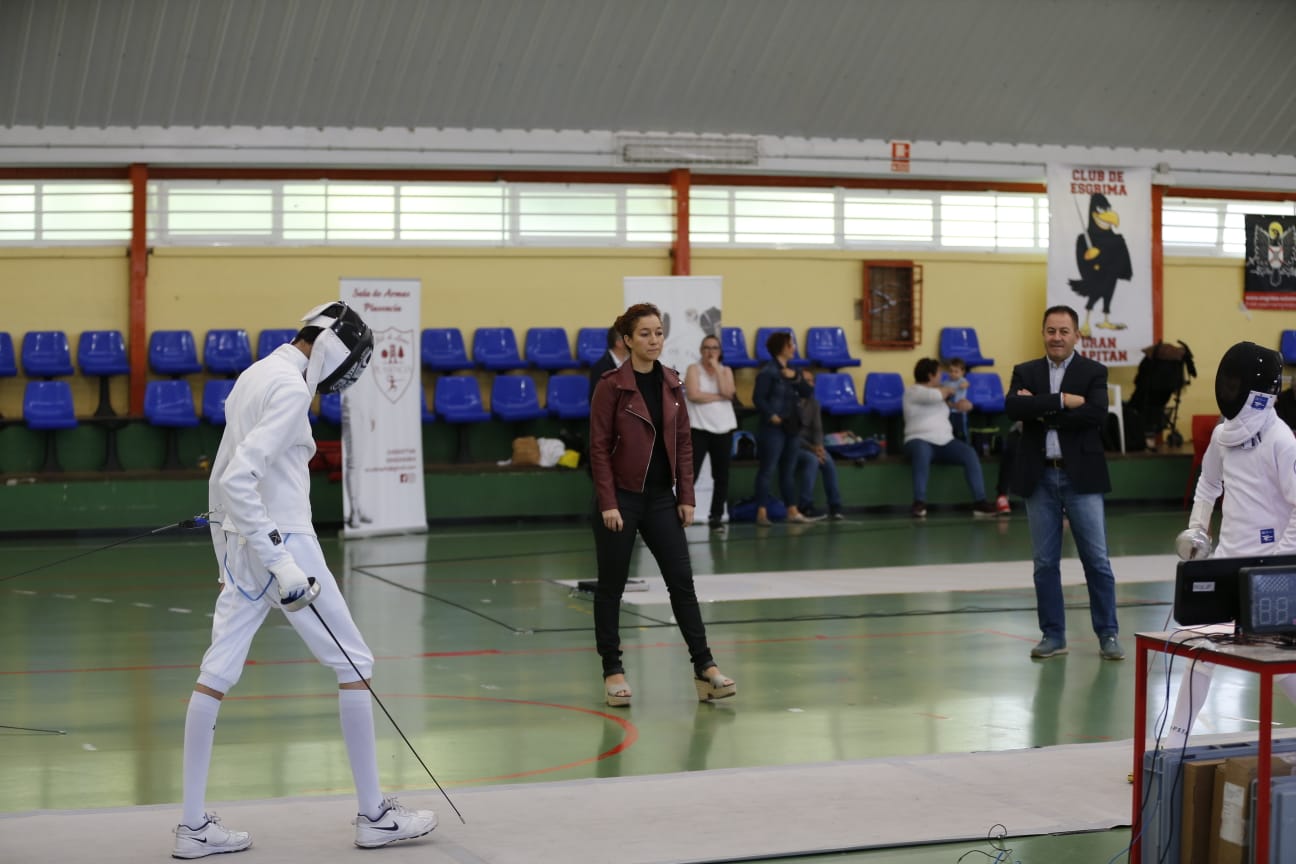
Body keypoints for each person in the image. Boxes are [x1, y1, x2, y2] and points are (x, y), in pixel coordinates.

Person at [173, 302, 436, 859]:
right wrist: (282, 561)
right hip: (284, 543)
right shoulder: (291, 389)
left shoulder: (255, 374)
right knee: (354, 665)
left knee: (214, 674)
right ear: (333, 345)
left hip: (247, 545)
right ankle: (375, 817)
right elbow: (241, 476)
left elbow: (224, 476)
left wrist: (230, 552)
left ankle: (192, 827)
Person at [589, 302, 736, 707]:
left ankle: (705, 668)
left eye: (658, 333)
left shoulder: (671, 382)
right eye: (644, 334)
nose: (654, 340)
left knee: (681, 583)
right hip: (619, 499)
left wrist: (686, 495)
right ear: (627, 340)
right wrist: (608, 502)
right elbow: (598, 448)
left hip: (660, 500)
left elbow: (684, 443)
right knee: (611, 588)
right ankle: (613, 671)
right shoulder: (611, 385)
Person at [1164, 342, 1296, 749]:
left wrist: (1278, 564)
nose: (1230, 388)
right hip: (1226, 562)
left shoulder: (1282, 440)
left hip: (1270, 571)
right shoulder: (1224, 435)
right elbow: (1208, 485)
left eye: (1238, 382)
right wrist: (1199, 531)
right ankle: (1175, 742)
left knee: (1284, 666)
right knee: (1202, 652)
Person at [1005, 304, 1122, 661]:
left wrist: (1041, 411)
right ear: (1043, 333)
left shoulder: (1094, 371)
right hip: (1038, 477)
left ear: (1076, 335)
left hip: (1081, 477)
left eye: (1064, 331)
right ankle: (1053, 636)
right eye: (1051, 331)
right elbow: (1014, 409)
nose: (1057, 337)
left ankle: (1108, 635)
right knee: (1044, 563)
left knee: (1097, 561)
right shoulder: (1024, 371)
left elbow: (1096, 414)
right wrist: (1062, 402)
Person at [902, 357, 997, 520]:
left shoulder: (940, 393)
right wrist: (956, 385)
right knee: (922, 452)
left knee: (969, 453)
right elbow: (936, 395)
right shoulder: (914, 391)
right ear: (931, 375)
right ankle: (919, 503)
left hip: (945, 441)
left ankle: (980, 502)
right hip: (918, 439)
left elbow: (953, 404)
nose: (942, 376)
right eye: (939, 373)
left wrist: (965, 405)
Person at [752, 330, 811, 526]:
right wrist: (772, 415)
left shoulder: (794, 371)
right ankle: (761, 511)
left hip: (792, 426)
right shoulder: (768, 372)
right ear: (782, 348)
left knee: (788, 470)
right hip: (774, 428)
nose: (793, 348)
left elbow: (808, 391)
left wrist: (795, 377)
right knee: (767, 469)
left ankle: (791, 510)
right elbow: (758, 398)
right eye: (790, 345)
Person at [684, 333, 738, 532]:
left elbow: (729, 393)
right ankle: (681, 513)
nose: (710, 352)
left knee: (721, 475)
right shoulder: (693, 369)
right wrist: (719, 396)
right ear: (701, 350)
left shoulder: (726, 370)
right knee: (691, 473)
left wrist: (716, 368)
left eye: (714, 348)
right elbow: (693, 395)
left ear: (719, 352)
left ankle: (715, 517)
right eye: (707, 348)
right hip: (699, 428)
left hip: (723, 428)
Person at [794, 369, 844, 520]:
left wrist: (820, 447)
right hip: (793, 445)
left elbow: (818, 429)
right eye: (808, 381)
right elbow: (792, 435)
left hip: (812, 445)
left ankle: (835, 506)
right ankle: (805, 505)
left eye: (812, 381)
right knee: (811, 459)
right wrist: (813, 449)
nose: (812, 384)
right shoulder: (790, 403)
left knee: (827, 461)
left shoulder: (814, 403)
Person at [589, 323, 630, 402]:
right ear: (619, 343)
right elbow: (597, 401)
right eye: (628, 338)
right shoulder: (600, 368)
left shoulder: (633, 362)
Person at [942, 357, 973, 441]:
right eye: (951, 371)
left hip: (960, 412)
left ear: (962, 372)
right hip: (949, 411)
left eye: (956, 371)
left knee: (963, 431)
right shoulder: (945, 382)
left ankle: (966, 445)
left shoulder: (962, 381)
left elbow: (967, 384)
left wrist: (963, 385)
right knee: (950, 431)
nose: (953, 374)